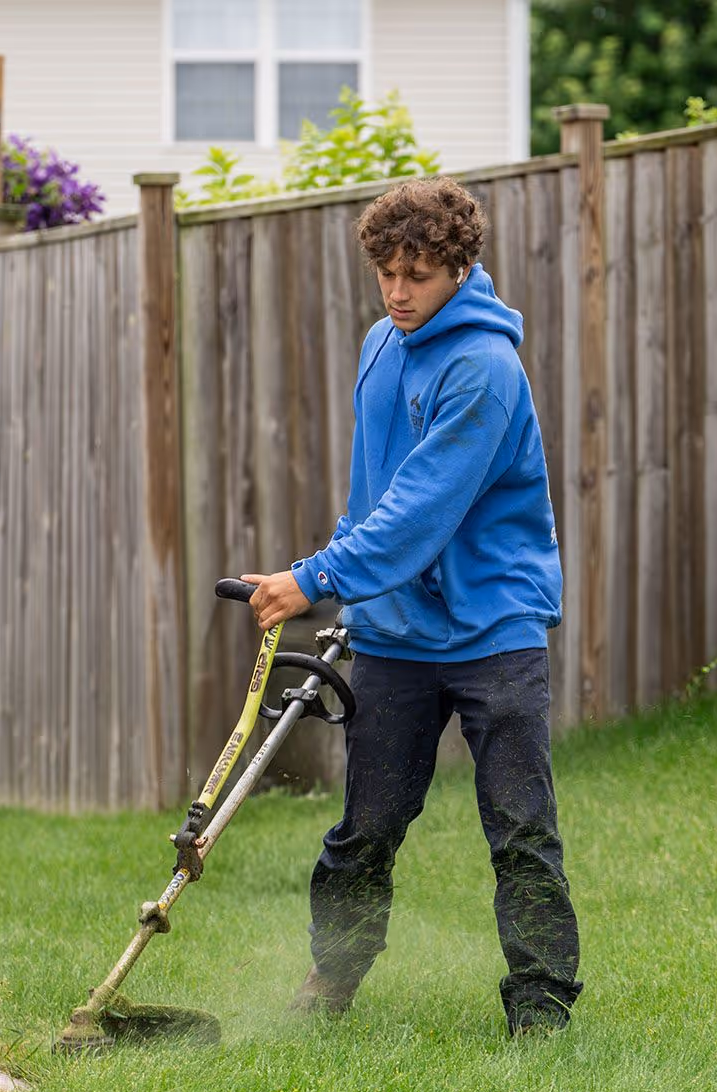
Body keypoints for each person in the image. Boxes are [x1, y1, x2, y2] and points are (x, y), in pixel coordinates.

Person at [243, 175, 581, 1037]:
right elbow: (376, 498)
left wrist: (313, 577)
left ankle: (540, 1010)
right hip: (396, 627)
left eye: (418, 275)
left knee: (519, 827)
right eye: (387, 273)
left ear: (459, 268)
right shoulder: (381, 345)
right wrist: (346, 583)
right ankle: (332, 984)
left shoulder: (484, 369)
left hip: (492, 628)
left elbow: (424, 509)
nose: (398, 292)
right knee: (367, 827)